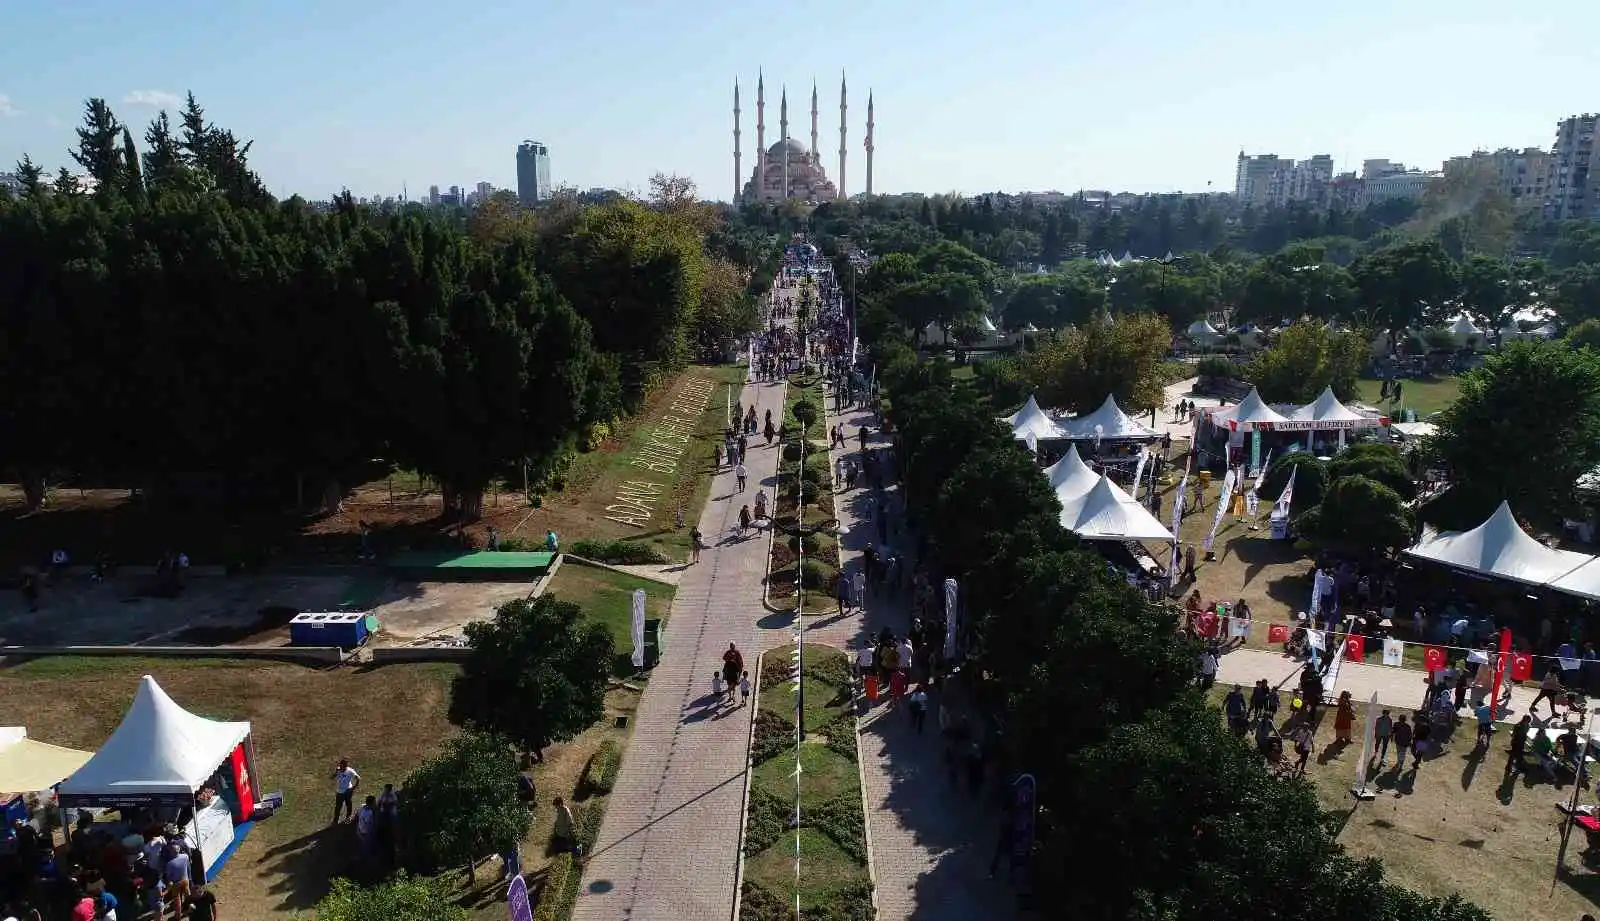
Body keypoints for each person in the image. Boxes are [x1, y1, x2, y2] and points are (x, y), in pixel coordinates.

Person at [331, 759, 361, 825]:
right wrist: (336, 772)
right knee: (338, 806)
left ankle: (348, 817)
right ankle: (336, 820)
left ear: (346, 766)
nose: (341, 767)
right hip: (340, 791)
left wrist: (354, 787)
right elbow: (331, 777)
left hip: (348, 790)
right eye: (340, 765)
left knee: (348, 804)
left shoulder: (350, 771)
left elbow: (358, 778)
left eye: (343, 766)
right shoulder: (338, 770)